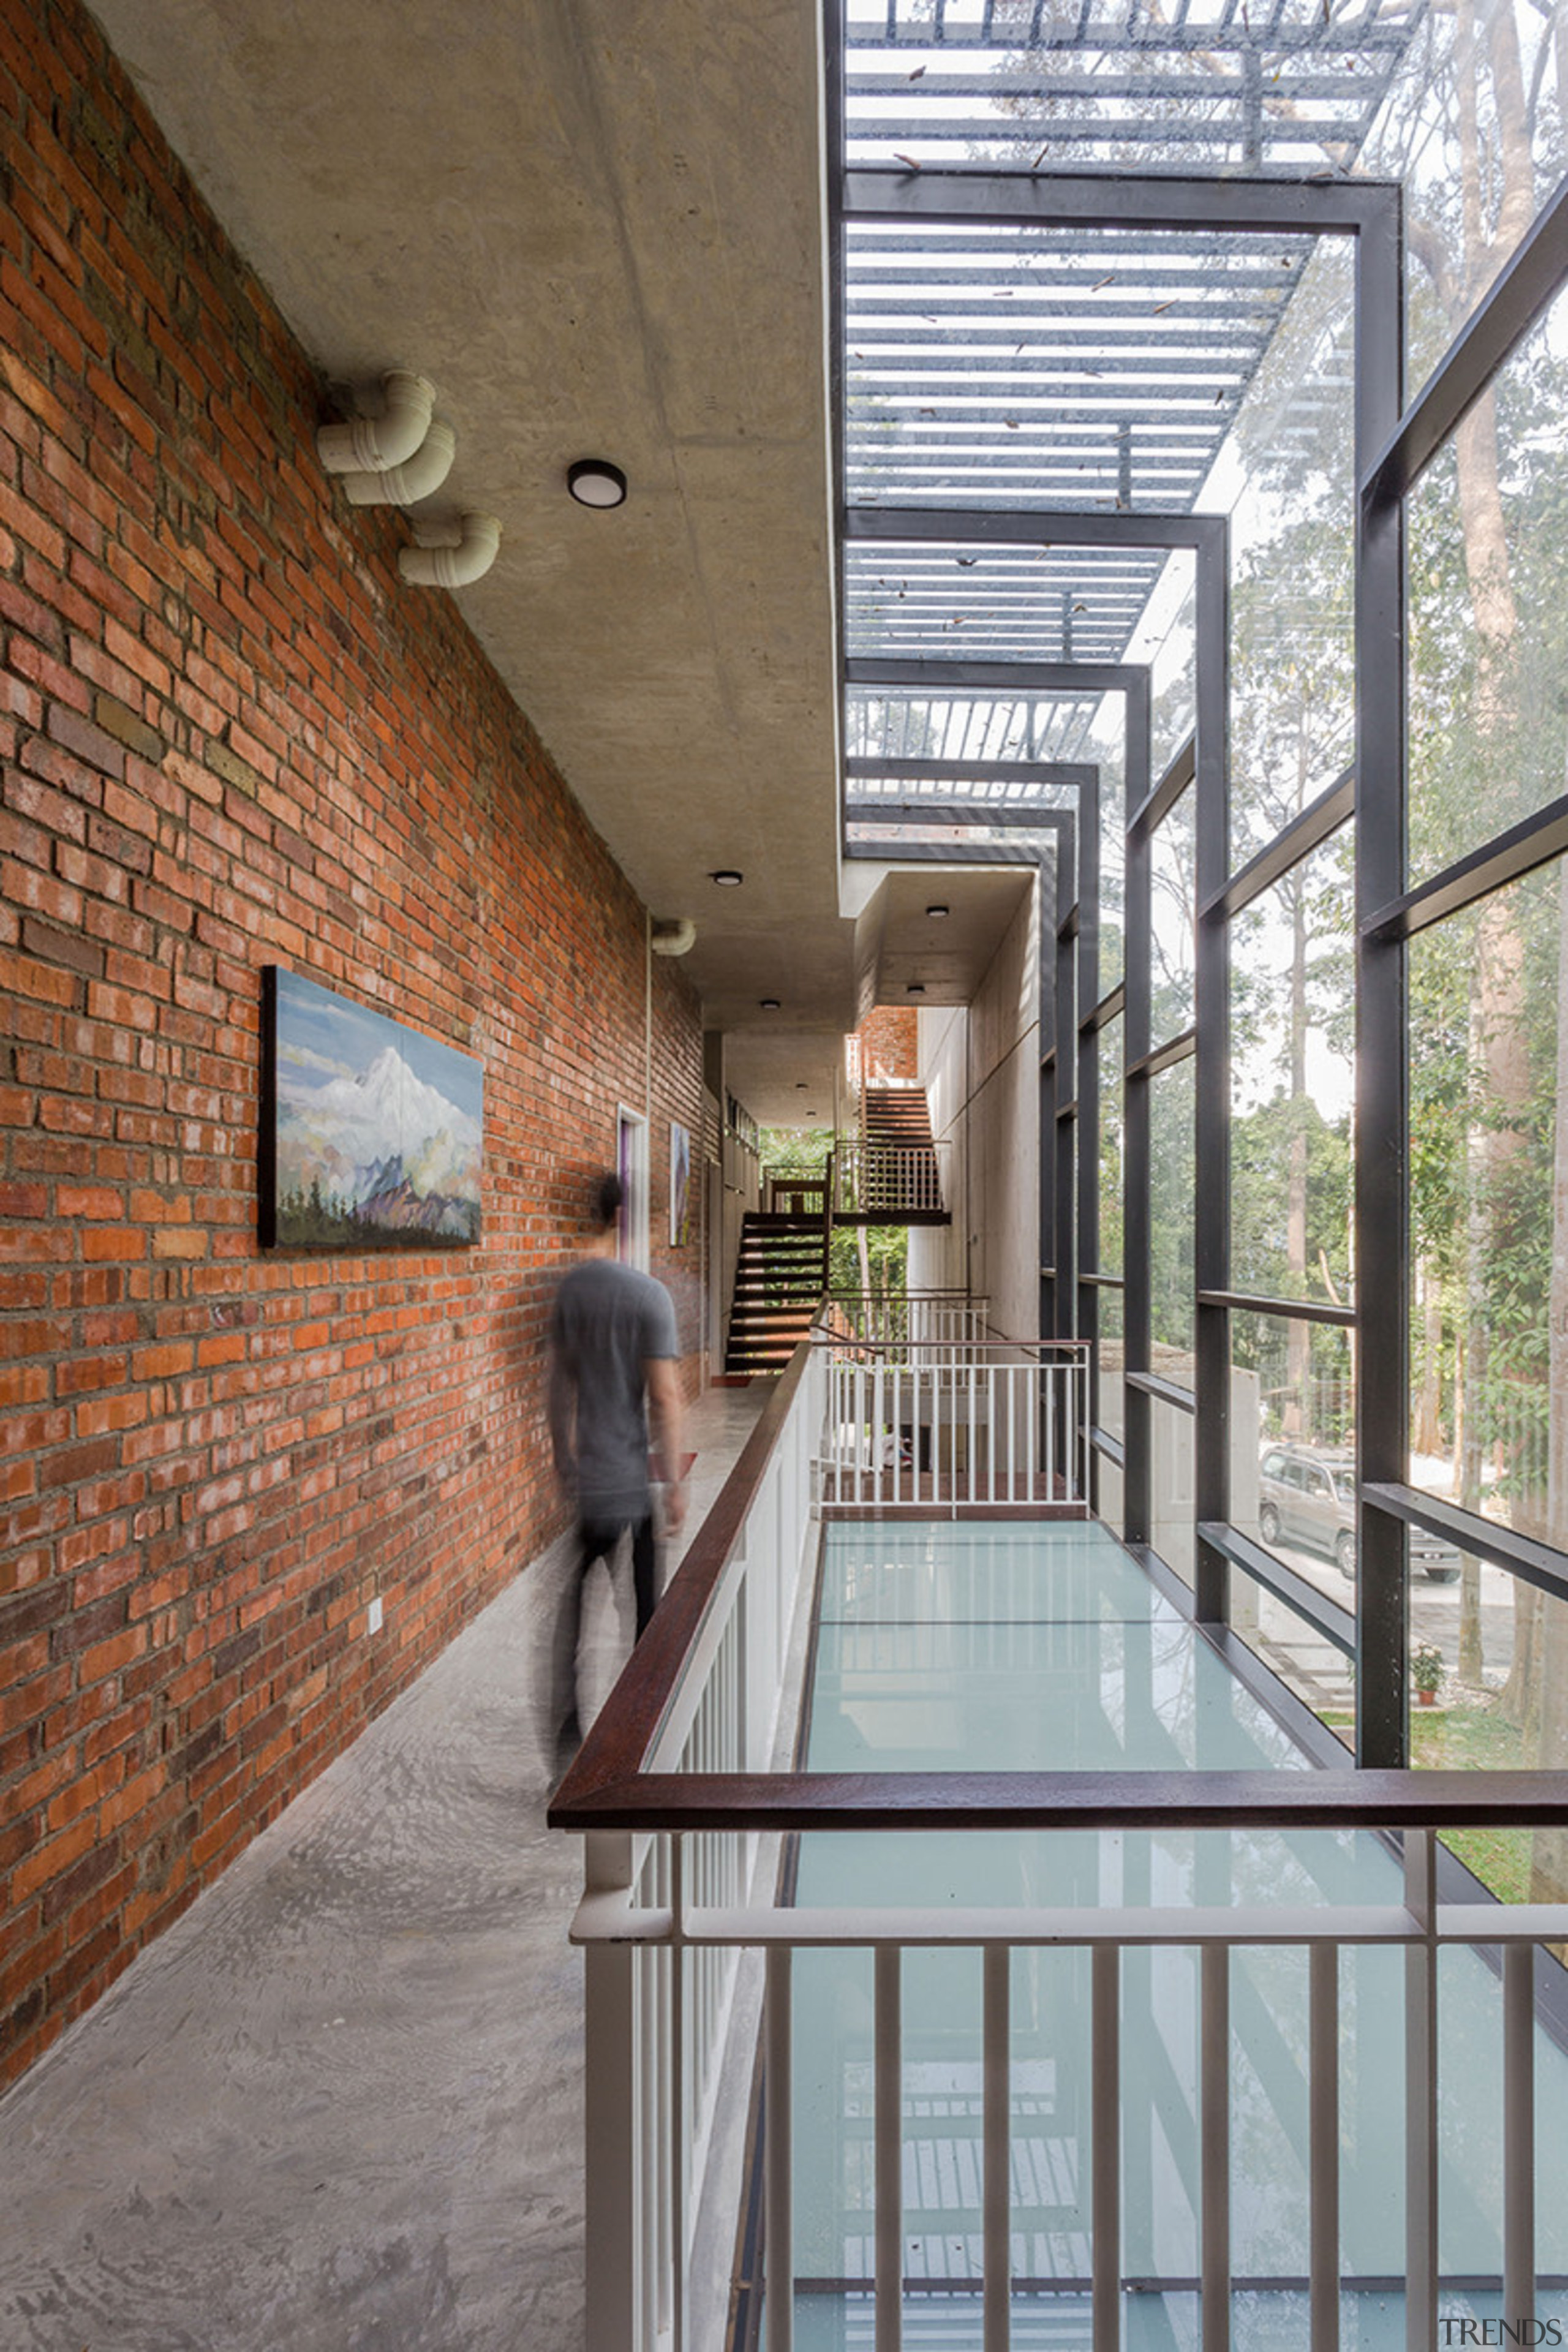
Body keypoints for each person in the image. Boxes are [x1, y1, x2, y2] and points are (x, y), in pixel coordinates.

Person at [548, 1171, 687, 1699]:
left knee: (578, 1609)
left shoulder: (571, 1291)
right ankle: (643, 1718)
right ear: (623, 1220)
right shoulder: (648, 1297)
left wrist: (563, 1455)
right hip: (630, 1485)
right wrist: (673, 1483)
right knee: (645, 1613)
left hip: (589, 1481)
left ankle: (567, 1728)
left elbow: (560, 1389)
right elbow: (666, 1399)